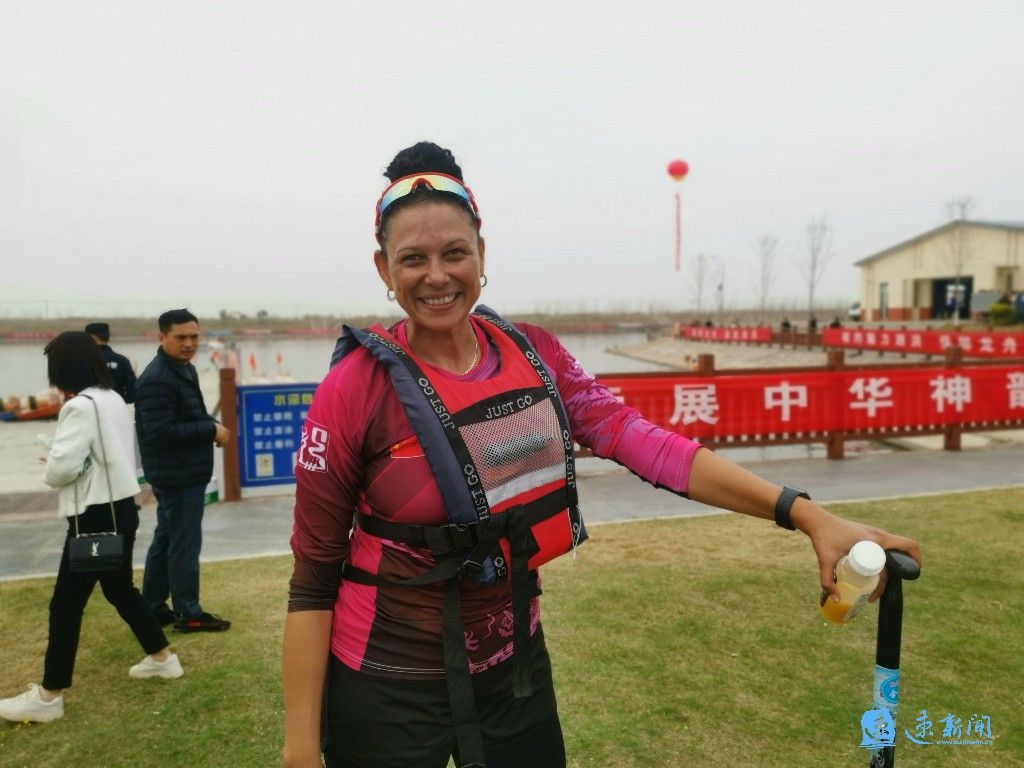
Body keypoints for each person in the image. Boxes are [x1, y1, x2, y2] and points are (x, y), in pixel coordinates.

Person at [281, 142, 921, 768]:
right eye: (412, 259)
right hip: (385, 682)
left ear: (481, 254)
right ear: (383, 269)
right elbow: (312, 580)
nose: (437, 276)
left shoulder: (535, 355)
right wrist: (301, 749)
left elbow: (643, 441)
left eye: (455, 252)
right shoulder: (354, 389)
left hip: (515, 669)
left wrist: (806, 514)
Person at [0, 332, 183, 725]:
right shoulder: (112, 398)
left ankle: (49, 696)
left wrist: (53, 464)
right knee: (119, 589)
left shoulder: (79, 407)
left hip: (94, 516)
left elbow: (61, 469)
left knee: (65, 605)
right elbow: (107, 455)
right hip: (121, 508)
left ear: (63, 368)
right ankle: (162, 658)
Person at [136, 309, 231, 632]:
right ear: (161, 337)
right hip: (176, 475)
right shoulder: (158, 378)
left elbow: (188, 416)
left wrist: (209, 425)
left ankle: (152, 607)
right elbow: (159, 433)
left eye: (194, 337)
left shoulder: (182, 369)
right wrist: (210, 429)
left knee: (166, 540)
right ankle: (188, 613)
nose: (189, 343)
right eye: (180, 337)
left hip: (182, 471)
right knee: (184, 545)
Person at [85, 321, 138, 404]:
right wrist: (120, 400)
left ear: (92, 337)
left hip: (89, 407)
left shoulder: (84, 360)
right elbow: (133, 392)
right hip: (116, 408)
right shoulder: (122, 361)